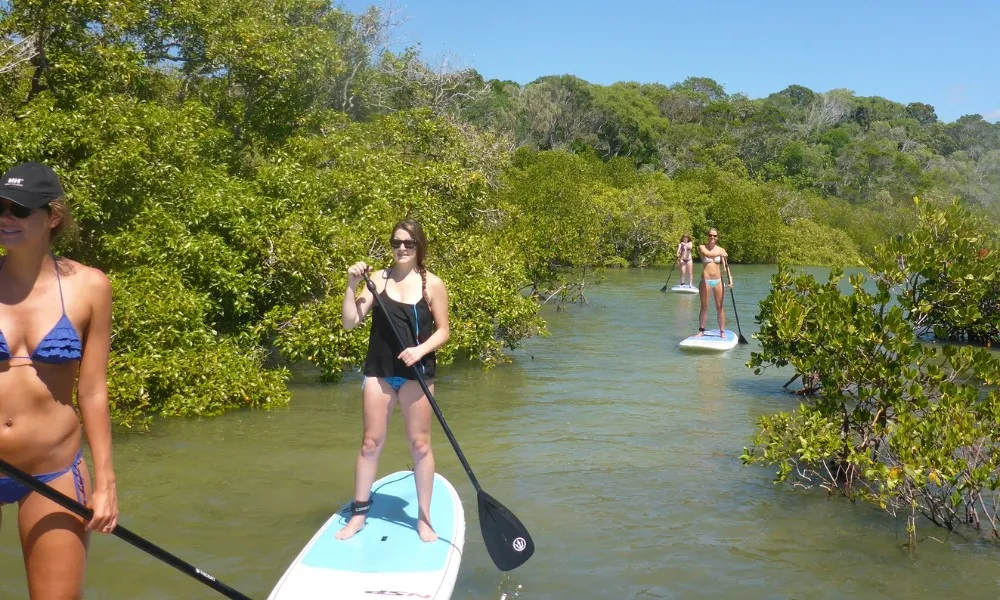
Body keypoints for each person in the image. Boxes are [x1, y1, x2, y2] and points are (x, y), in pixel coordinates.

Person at [0, 162, 119, 598]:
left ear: (52, 216)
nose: (5, 219)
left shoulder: (91, 286)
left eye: (19, 210)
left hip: (53, 469)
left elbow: (92, 390)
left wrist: (106, 485)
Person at [337, 219, 450, 543]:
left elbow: (444, 330)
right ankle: (359, 514)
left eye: (408, 243)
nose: (401, 248)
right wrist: (350, 284)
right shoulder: (377, 280)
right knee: (370, 443)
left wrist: (420, 350)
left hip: (417, 374)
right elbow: (349, 322)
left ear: (419, 247)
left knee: (420, 444)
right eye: (396, 242)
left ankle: (424, 518)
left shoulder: (433, 284)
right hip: (380, 373)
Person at [697, 227, 734, 336]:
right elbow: (707, 255)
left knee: (719, 307)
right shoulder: (702, 247)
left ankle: (722, 331)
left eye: (714, 235)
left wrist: (730, 278)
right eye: (710, 235)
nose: (712, 237)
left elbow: (726, 266)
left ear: (717, 237)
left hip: (718, 280)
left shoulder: (721, 249)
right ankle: (701, 331)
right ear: (707, 236)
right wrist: (720, 254)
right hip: (705, 280)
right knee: (704, 306)